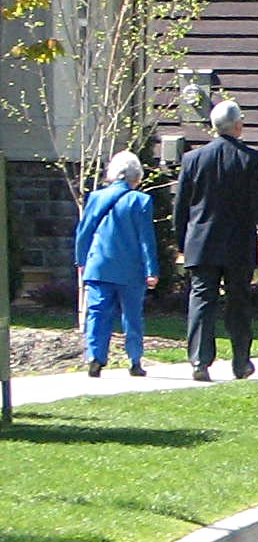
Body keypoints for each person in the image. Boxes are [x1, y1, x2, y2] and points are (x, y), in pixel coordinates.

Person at [173, 98, 258, 383]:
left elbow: (181, 205)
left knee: (201, 301)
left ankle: (199, 360)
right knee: (239, 302)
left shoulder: (192, 159)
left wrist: (181, 241)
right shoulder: (250, 159)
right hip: (238, 243)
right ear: (238, 125)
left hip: (201, 242)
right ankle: (241, 362)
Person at [73, 150, 158, 378]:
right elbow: (146, 239)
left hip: (99, 265)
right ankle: (134, 360)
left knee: (97, 312)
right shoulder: (141, 201)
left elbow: (84, 232)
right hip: (131, 269)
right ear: (136, 177)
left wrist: (81, 260)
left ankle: (95, 356)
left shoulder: (96, 197)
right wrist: (152, 270)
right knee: (132, 315)